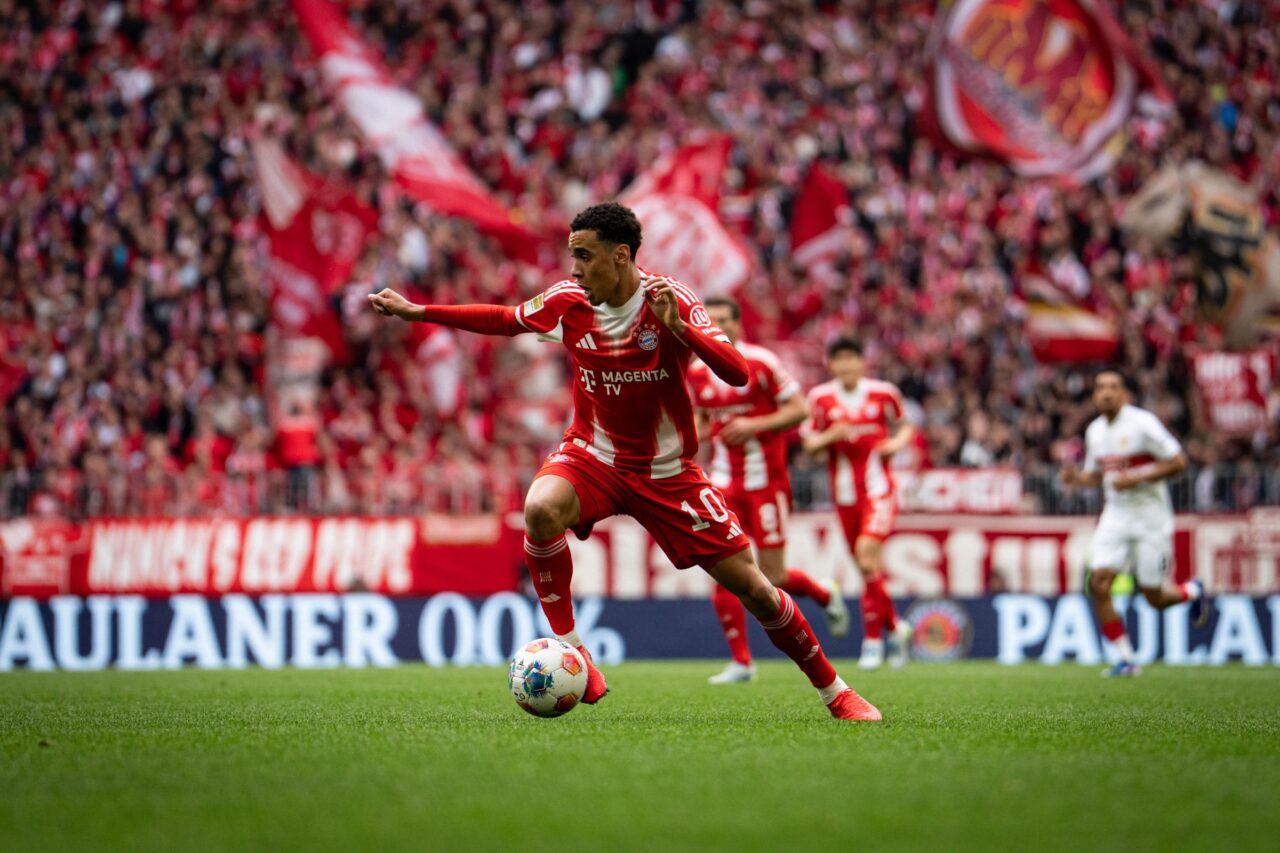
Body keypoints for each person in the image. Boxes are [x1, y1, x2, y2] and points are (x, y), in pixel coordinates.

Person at [370, 202, 879, 721]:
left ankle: (836, 692)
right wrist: (419, 311)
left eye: (584, 256)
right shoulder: (567, 302)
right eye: (572, 256)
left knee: (756, 588)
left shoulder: (671, 299)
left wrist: (681, 330)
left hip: (667, 472)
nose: (574, 269)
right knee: (540, 508)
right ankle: (575, 651)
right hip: (593, 456)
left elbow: (737, 373)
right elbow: (506, 319)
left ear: (620, 256)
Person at [688, 296, 849, 684]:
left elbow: (799, 410)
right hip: (722, 483)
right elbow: (702, 422)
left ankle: (824, 594)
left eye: (726, 319)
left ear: (739, 324)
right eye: (712, 320)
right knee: (722, 568)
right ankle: (741, 662)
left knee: (772, 575)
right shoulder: (697, 372)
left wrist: (754, 426)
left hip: (766, 484)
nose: (719, 326)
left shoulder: (762, 363)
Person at [1060, 369, 1208, 677]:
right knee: (1099, 584)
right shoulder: (1095, 431)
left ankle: (1193, 591)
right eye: (1100, 387)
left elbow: (1178, 462)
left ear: (1124, 393)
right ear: (1094, 395)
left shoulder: (1143, 424)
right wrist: (1077, 479)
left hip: (1150, 517)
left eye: (1113, 387)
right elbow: (1101, 476)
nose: (1106, 393)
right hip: (1115, 515)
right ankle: (1125, 659)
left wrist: (1138, 478)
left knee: (1155, 597)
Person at [802, 338, 915, 670]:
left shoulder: (884, 393)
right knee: (868, 569)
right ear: (831, 364)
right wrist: (830, 436)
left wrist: (896, 444)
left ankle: (873, 643)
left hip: (878, 491)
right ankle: (897, 628)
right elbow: (809, 445)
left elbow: (905, 426)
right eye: (839, 359)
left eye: (852, 358)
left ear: (862, 362)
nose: (846, 365)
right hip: (844, 497)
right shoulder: (820, 398)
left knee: (866, 558)